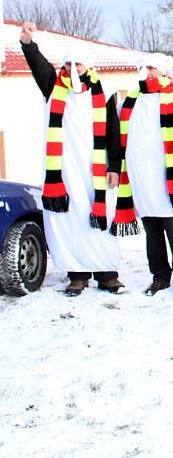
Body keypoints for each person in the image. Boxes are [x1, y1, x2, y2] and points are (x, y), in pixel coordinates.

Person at [18, 22, 125, 296]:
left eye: (77, 65)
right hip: (64, 170)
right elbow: (40, 68)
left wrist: (114, 167)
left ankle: (106, 274)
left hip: (96, 172)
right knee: (71, 221)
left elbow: (114, 134)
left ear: (87, 66)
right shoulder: (54, 89)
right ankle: (77, 275)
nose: (72, 69)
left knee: (99, 219)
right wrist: (29, 44)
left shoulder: (104, 94)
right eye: (68, 64)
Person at [113, 53, 173, 296]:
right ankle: (160, 276)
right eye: (145, 68)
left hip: (167, 177)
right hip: (141, 176)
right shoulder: (129, 101)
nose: (148, 72)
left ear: (165, 72)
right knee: (151, 229)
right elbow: (115, 130)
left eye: (152, 68)